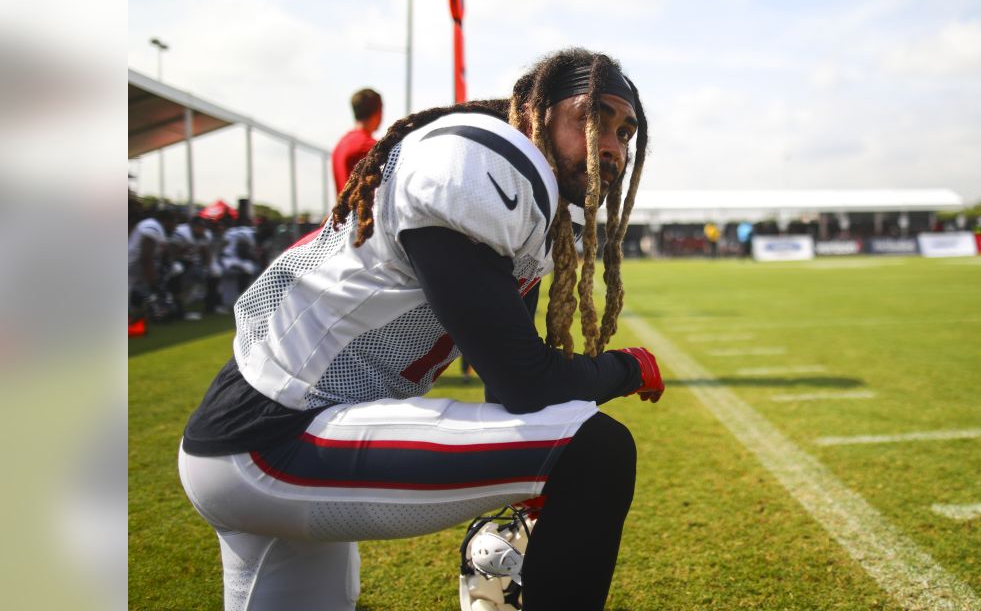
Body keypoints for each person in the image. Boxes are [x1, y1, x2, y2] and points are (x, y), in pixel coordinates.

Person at [178, 48, 664, 611]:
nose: (613, 146)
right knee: (594, 450)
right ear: (536, 110)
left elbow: (507, 383)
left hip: (250, 436)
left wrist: (532, 480)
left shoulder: (530, 198)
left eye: (625, 132)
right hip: (274, 439)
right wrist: (627, 367)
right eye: (593, 118)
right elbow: (526, 381)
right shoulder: (485, 161)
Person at [332, 88, 383, 195]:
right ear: (378, 111)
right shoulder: (370, 147)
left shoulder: (339, 145)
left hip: (343, 210)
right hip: (363, 211)